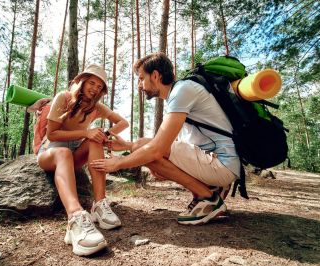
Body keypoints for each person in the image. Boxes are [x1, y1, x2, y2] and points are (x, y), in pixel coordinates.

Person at [90, 52, 240, 225]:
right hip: (216, 161)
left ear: (155, 75)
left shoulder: (182, 91)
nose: (139, 85)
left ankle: (208, 198)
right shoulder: (178, 96)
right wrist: (127, 145)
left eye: (141, 78)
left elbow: (156, 149)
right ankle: (212, 188)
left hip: (222, 164)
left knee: (144, 148)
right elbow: (162, 147)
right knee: (142, 149)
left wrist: (117, 163)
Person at [37, 64, 128, 256]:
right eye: (92, 82)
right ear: (82, 81)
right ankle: (75, 217)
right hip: (51, 153)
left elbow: (123, 122)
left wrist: (105, 133)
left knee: (96, 139)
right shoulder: (64, 97)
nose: (95, 88)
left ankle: (100, 205)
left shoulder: (96, 107)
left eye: (99, 86)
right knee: (65, 152)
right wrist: (86, 132)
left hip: (74, 156)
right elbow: (52, 135)